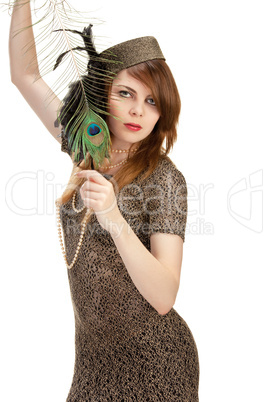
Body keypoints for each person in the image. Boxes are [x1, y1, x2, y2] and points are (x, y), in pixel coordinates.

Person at [9, 1, 199, 400]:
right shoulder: (86, 146)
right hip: (93, 361)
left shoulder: (165, 179)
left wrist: (113, 216)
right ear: (100, 99)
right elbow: (25, 75)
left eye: (152, 100)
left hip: (156, 362)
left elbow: (165, 296)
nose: (137, 110)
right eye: (126, 93)